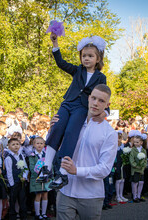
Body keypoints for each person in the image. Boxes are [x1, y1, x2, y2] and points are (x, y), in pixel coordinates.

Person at [39, 33, 109, 189]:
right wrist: (55, 44)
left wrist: (107, 111)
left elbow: (103, 94)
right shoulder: (77, 70)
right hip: (68, 103)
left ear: (98, 59)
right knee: (56, 127)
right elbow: (61, 63)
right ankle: (47, 167)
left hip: (81, 108)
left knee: (71, 133)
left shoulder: (101, 77)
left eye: (90, 56)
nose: (86, 58)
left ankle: (63, 173)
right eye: (84, 56)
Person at [56, 84, 117, 220]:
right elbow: (57, 145)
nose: (96, 103)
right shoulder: (71, 121)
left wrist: (77, 170)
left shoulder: (109, 133)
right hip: (66, 191)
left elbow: (105, 169)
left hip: (91, 196)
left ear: (108, 104)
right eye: (94, 98)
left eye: (101, 101)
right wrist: (54, 127)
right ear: (88, 98)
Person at [4, 138, 29, 220]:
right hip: (14, 183)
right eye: (13, 144)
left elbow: (25, 167)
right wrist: (12, 184)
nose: (15, 146)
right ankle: (12, 216)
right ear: (9, 146)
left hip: (21, 181)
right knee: (13, 200)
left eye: (17, 144)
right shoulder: (9, 158)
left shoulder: (21, 155)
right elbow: (9, 172)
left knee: (22, 199)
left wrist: (24, 177)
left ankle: (23, 216)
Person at [28, 137, 50, 220]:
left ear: (44, 144)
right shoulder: (32, 156)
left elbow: (49, 164)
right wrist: (39, 173)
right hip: (37, 178)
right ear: (34, 145)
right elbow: (32, 167)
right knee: (38, 195)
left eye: (41, 143)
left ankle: (44, 213)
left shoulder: (46, 155)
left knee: (45, 194)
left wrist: (48, 174)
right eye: (37, 143)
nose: (39, 145)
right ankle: (37, 214)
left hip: (46, 178)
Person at [129, 135, 147, 203]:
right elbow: (131, 159)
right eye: (135, 142)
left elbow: (145, 158)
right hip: (135, 169)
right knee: (135, 182)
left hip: (141, 169)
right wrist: (135, 165)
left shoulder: (143, 150)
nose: (136, 143)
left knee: (141, 182)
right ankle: (134, 196)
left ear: (141, 142)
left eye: (137, 142)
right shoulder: (133, 150)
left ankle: (139, 195)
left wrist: (144, 165)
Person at [114, 131, 129, 203]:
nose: (118, 140)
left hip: (122, 165)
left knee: (123, 180)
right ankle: (117, 195)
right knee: (118, 180)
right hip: (117, 165)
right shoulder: (114, 147)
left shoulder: (122, 147)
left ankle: (121, 194)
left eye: (119, 138)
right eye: (116, 139)